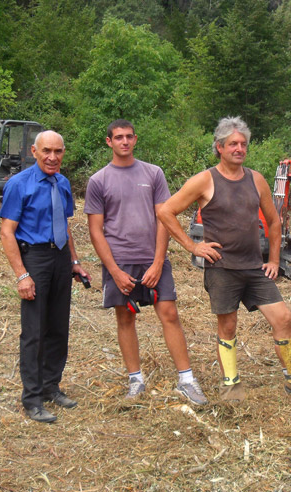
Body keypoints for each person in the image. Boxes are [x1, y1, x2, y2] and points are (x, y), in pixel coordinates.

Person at [157, 116, 291, 402]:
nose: (239, 148)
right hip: (222, 267)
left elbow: (274, 222)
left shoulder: (255, 179)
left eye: (243, 144)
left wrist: (274, 261)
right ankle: (231, 386)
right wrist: (193, 247)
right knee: (228, 325)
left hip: (254, 267)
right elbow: (165, 211)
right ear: (219, 147)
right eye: (232, 144)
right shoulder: (204, 180)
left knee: (283, 318)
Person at [84, 119, 208, 404]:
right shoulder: (98, 180)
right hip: (120, 262)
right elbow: (95, 230)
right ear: (109, 142)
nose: (124, 142)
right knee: (125, 318)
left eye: (129, 137)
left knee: (169, 314)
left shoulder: (153, 174)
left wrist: (157, 261)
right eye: (118, 137)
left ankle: (186, 380)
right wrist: (114, 271)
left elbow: (164, 217)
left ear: (136, 139)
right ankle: (135, 381)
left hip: (152, 259)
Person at [0, 130, 91, 423]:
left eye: (58, 151)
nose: (53, 157)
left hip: (60, 258)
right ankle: (32, 398)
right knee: (34, 331)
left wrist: (74, 262)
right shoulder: (18, 184)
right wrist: (22, 275)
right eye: (47, 151)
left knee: (58, 328)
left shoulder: (62, 183)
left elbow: (63, 223)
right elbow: (7, 232)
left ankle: (52, 386)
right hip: (35, 258)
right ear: (34, 151)